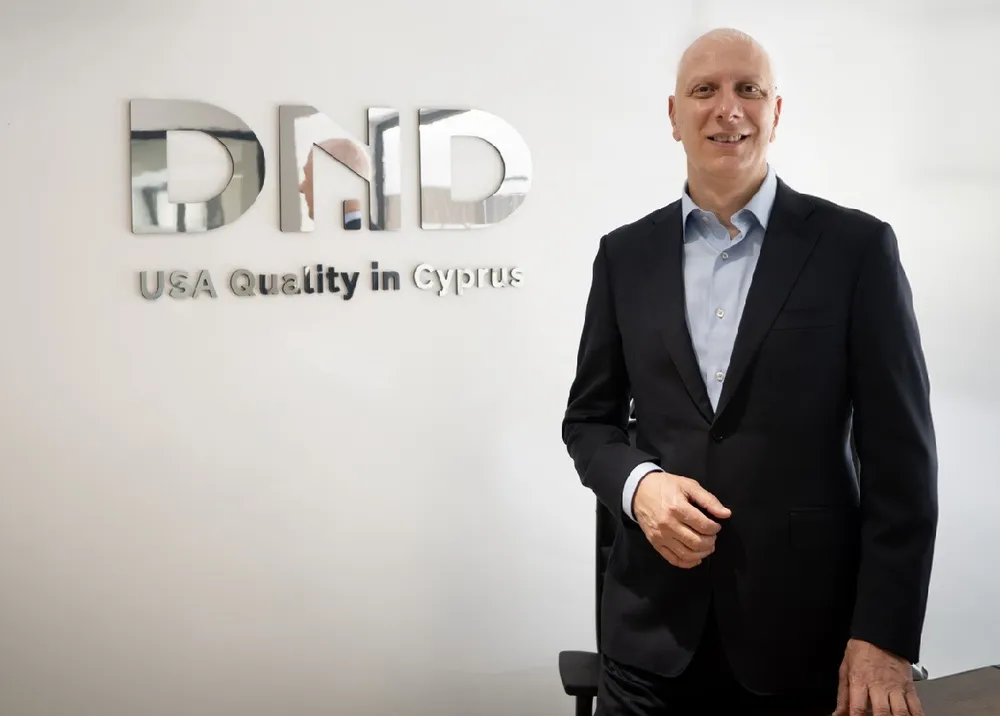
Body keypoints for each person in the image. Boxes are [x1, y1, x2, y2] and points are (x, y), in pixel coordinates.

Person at [561, 27, 938, 716]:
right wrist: (640, 486)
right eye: (704, 90)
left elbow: (901, 460)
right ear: (674, 114)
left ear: (776, 111)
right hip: (648, 641)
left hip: (806, 640)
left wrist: (884, 635)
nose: (727, 108)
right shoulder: (623, 256)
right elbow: (588, 421)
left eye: (749, 89)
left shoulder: (856, 249)